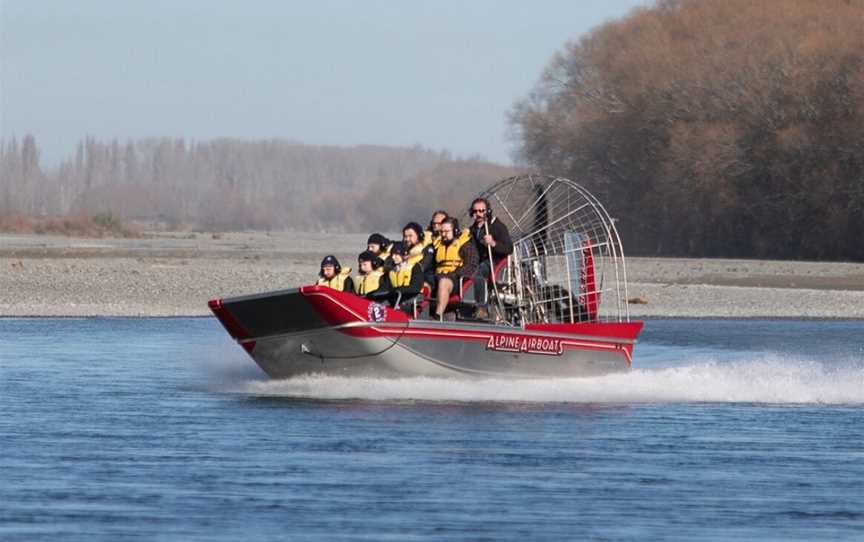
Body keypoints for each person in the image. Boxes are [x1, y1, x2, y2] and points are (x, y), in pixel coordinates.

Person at [468, 197, 513, 319]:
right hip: (480, 261)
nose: (479, 214)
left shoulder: (497, 226)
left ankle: (481, 307)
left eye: (481, 211)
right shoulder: (473, 229)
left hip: (496, 261)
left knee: (480, 272)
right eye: (476, 211)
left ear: (487, 211)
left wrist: (493, 243)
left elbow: (509, 248)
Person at [433, 217, 478, 320]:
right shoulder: (438, 245)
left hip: (456, 279)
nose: (443, 234)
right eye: (442, 232)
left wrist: (454, 274)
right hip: (437, 276)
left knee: (444, 282)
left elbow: (471, 265)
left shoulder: (465, 245)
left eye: (446, 231)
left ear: (455, 231)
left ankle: (438, 315)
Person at [386, 241, 424, 314]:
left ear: (405, 255)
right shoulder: (392, 271)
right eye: (392, 254)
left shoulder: (415, 267)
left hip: (412, 300)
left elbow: (416, 287)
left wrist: (398, 290)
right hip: (397, 299)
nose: (393, 257)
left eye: (396, 254)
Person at [402, 221, 436, 286]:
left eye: (410, 236)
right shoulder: (403, 250)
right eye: (405, 236)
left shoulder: (428, 249)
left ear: (419, 235)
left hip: (425, 278)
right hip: (406, 277)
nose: (407, 239)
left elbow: (424, 265)